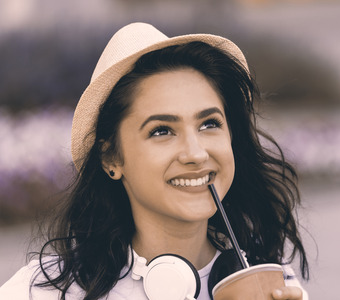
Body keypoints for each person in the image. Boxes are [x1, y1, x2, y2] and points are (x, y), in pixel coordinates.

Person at [0, 22, 309, 300]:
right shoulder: (40, 292)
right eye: (162, 131)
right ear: (111, 157)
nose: (196, 153)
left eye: (209, 124)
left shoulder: (271, 285)